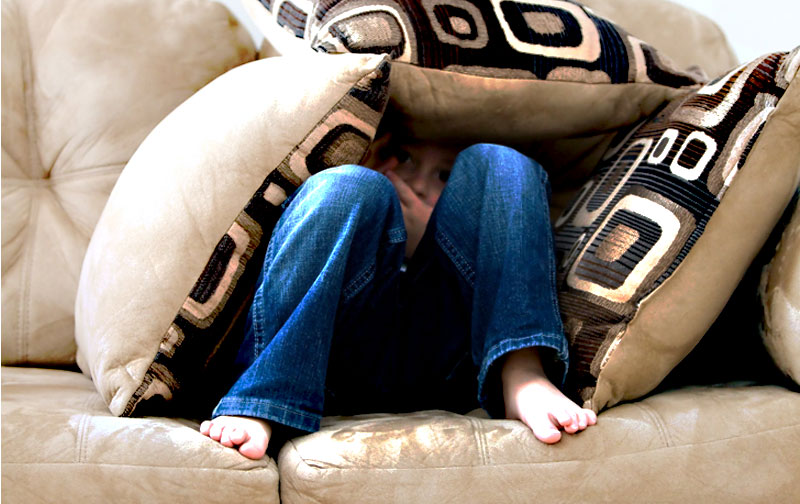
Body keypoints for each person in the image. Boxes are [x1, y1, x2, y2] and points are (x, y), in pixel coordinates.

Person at [200, 130, 597, 460]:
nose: (420, 182)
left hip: (447, 358)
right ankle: (265, 398)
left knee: (501, 161)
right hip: (332, 357)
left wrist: (426, 233)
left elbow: (483, 219)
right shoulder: (367, 194)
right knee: (346, 186)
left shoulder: (465, 222)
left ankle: (520, 369)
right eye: (404, 158)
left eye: (444, 176)